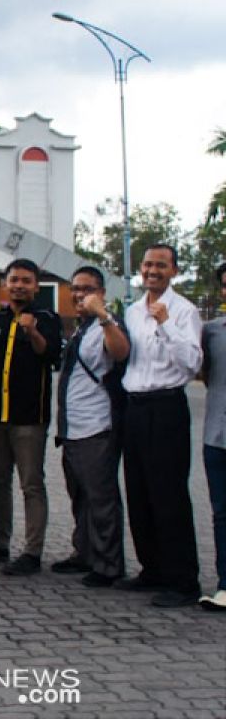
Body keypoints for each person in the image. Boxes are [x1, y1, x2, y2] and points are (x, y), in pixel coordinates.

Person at [117, 243, 203, 608]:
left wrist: (166, 322)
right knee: (138, 491)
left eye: (161, 266)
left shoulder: (184, 311)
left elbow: (192, 362)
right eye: (148, 264)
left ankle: (183, 580)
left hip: (166, 407)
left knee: (169, 494)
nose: (153, 271)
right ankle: (152, 568)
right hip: (134, 407)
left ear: (174, 271)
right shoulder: (133, 311)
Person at [0, 258, 61, 576]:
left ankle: (33, 552)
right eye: (15, 280)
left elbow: (51, 356)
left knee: (31, 484)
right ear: (5, 285)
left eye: (26, 281)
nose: (20, 285)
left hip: (28, 418)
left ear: (36, 286)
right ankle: (0, 543)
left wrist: (34, 333)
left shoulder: (47, 319)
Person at [53, 267, 130, 588]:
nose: (79, 295)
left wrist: (104, 317)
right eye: (75, 289)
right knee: (80, 496)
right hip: (73, 428)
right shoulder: (80, 329)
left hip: (96, 426)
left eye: (87, 289)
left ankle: (109, 565)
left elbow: (121, 352)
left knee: (102, 498)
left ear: (101, 293)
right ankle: (84, 552)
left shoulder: (104, 325)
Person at [200, 261, 226, 611]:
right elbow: (205, 374)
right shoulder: (212, 331)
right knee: (222, 513)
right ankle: (225, 583)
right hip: (217, 437)